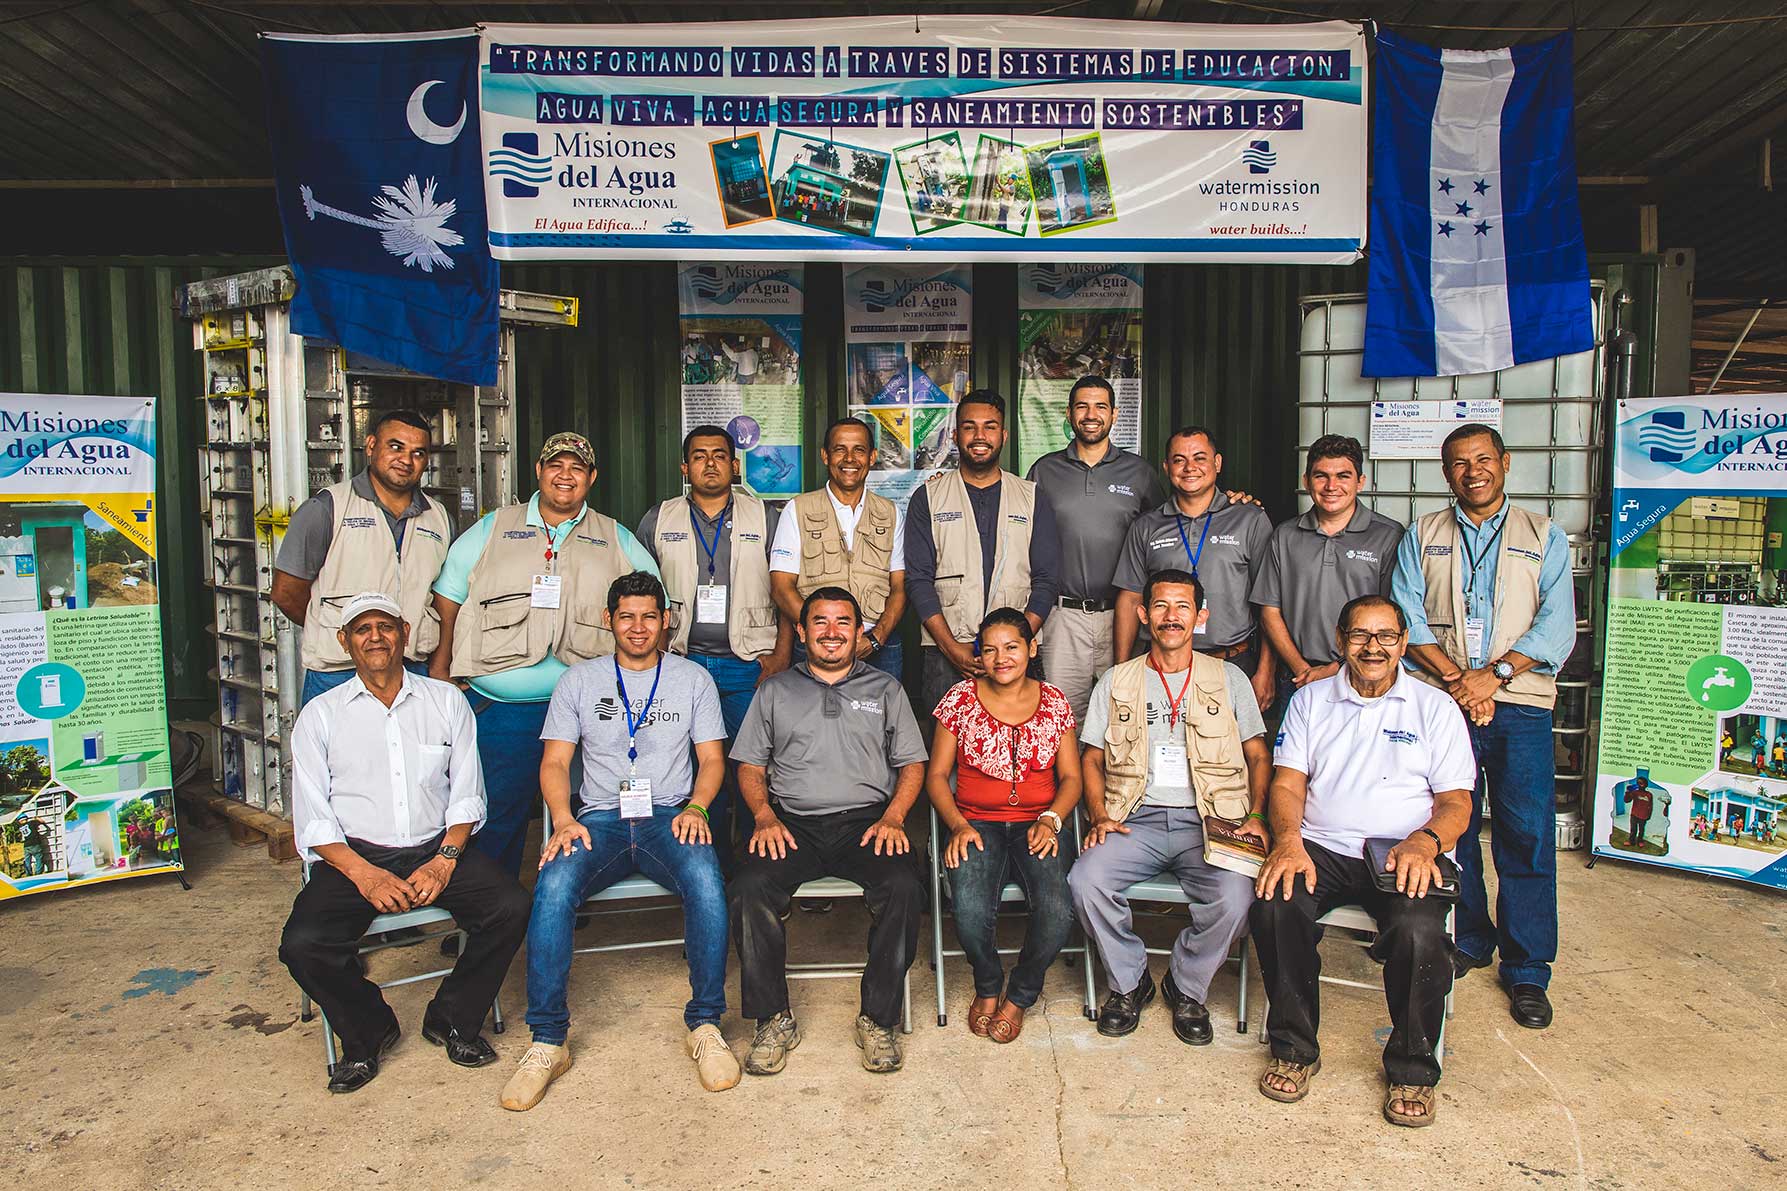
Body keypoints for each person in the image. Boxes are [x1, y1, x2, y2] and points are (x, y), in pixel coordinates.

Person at [501, 573, 736, 1110]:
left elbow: (712, 759)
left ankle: (704, 1025)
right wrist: (563, 819)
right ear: (609, 619)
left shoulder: (693, 679)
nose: (638, 627)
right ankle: (548, 1041)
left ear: (665, 621)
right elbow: (555, 761)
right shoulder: (578, 682)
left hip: (669, 815)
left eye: (649, 616)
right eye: (627, 616)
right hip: (598, 819)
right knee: (552, 887)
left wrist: (697, 807)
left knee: (707, 882)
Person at [279, 592, 529, 1094]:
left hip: (436, 846)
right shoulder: (321, 715)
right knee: (302, 945)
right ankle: (368, 1030)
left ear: (405, 634)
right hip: (354, 855)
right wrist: (366, 875)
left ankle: (453, 1018)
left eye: (386, 626)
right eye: (362, 629)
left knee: (511, 906)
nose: (375, 637)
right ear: (344, 641)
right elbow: (314, 819)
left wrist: (444, 861)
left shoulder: (446, 701)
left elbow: (467, 796)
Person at [1250, 595, 1474, 1128]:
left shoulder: (1434, 707)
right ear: (1340, 640)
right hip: (1322, 844)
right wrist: (1287, 840)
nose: (1373, 647)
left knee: (1419, 932)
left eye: (1386, 636)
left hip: (1404, 850)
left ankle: (1413, 1071)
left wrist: (1425, 842)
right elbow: (1287, 784)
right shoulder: (1311, 701)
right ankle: (1294, 1048)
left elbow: (1457, 803)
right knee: (1276, 904)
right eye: (1360, 635)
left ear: (1403, 642)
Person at [1391, 423, 1575, 1031]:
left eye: (1483, 459)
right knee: (1454, 824)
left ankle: (1528, 969)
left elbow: (1556, 627)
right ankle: (1468, 937)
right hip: (1446, 701)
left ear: (1505, 461)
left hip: (1520, 704)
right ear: (1446, 473)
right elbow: (1407, 616)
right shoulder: (1423, 534)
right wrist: (1459, 682)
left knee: (1525, 833)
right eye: (1459, 463)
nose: (1473, 472)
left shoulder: (1543, 535)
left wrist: (1491, 678)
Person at [430, 432, 660, 877]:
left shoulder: (614, 535)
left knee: (587, 807)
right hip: (501, 707)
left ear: (592, 477)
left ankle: (572, 893)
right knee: (496, 812)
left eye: (577, 467)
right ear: (538, 471)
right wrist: (441, 666)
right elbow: (449, 596)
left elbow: (655, 604)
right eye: (556, 465)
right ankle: (492, 902)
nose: (565, 475)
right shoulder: (494, 527)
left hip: (589, 710)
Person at [728, 587, 929, 1075]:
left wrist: (894, 817)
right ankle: (773, 1019)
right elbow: (750, 766)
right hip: (792, 822)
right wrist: (764, 816)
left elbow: (912, 764)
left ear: (859, 632)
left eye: (843, 622)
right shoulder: (774, 691)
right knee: (748, 886)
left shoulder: (886, 689)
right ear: (801, 631)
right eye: (820, 621)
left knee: (904, 886)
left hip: (868, 822)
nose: (832, 632)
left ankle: (877, 1019)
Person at [1070, 568, 1271, 1044]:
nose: (1171, 616)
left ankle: (1187, 984)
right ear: (1143, 614)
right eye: (1160, 605)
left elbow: (1259, 756)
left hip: (1212, 821)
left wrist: (1257, 817)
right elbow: (1091, 758)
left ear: (1201, 616)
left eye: (1183, 606)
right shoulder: (1117, 680)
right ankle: (1129, 981)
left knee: (1238, 898)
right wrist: (1099, 814)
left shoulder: (1230, 679)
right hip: (1133, 818)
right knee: (1085, 881)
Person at [926, 608, 1083, 1043]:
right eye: (990, 650)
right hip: (976, 823)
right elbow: (936, 776)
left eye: (1011, 647)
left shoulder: (1054, 701)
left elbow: (1072, 778)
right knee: (970, 909)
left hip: (1040, 823)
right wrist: (957, 825)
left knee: (1057, 911)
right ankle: (988, 982)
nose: (1001, 658)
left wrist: (1052, 819)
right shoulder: (960, 699)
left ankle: (1021, 993)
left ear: (1031, 649)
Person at [639, 425, 793, 849]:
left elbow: (786, 591)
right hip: (682, 663)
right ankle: (709, 860)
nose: (710, 463)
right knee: (692, 771)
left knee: (753, 766)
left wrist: (781, 655)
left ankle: (756, 859)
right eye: (700, 456)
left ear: (735, 465)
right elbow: (643, 594)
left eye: (720, 455)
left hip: (749, 664)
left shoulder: (766, 517)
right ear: (684, 467)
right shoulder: (659, 518)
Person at [271, 409, 453, 705]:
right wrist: (339, 632)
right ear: (371, 446)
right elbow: (286, 592)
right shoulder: (327, 508)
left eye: (418, 453)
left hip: (411, 669)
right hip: (339, 672)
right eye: (396, 447)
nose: (406, 460)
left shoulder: (439, 518)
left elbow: (444, 596)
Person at [906, 390, 1061, 713]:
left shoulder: (1032, 497)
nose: (979, 436)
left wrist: (1015, 644)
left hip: (1016, 656)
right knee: (947, 742)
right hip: (947, 652)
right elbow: (918, 580)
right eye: (969, 427)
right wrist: (951, 648)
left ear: (1003, 435)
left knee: (1018, 740)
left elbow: (1047, 579)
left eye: (990, 427)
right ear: (955, 435)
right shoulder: (928, 497)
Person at [1025, 375, 1162, 725]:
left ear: (1114, 414)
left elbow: (1165, 531)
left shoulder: (1140, 473)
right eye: (1082, 406)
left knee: (1123, 717)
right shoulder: (1044, 470)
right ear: (1069, 413)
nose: (1091, 414)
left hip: (1124, 616)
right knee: (1062, 720)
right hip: (1063, 618)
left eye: (1100, 406)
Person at [1112, 426, 1276, 715]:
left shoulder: (1249, 519)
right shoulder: (1146, 526)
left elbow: (1268, 603)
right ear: (1166, 467)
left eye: (1200, 458)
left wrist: (1266, 671)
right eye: (1179, 460)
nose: (1190, 468)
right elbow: (1130, 599)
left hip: (1232, 662)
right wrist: (1123, 671)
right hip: (1162, 665)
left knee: (1232, 743)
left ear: (1217, 463)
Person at [1252, 434, 1403, 718]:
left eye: (1343, 476)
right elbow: (1270, 611)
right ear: (1306, 481)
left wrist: (1336, 668)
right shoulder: (1285, 535)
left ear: (1360, 482)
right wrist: (1302, 670)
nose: (1331, 486)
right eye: (1321, 476)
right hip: (1297, 678)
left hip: (1363, 676)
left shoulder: (1388, 535)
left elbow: (1392, 618)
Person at [770, 417, 907, 680]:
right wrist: (826, 634)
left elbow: (899, 587)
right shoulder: (797, 509)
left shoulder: (891, 513)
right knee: (812, 708)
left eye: (859, 450)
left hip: (878, 646)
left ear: (872, 457)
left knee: (882, 707)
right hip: (817, 645)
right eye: (839, 449)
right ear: (825, 455)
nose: (849, 458)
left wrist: (876, 638)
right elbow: (781, 587)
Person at [1626, 777, 1654, 849]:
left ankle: (1640, 841)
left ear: (1646, 785)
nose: (1639, 785)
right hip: (1634, 814)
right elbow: (1627, 800)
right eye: (1638, 783)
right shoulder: (1635, 792)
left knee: (1641, 830)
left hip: (1643, 816)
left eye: (1641, 783)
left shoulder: (1649, 795)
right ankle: (1631, 841)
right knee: (1633, 829)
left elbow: (1650, 806)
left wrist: (1649, 815)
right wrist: (1628, 792)